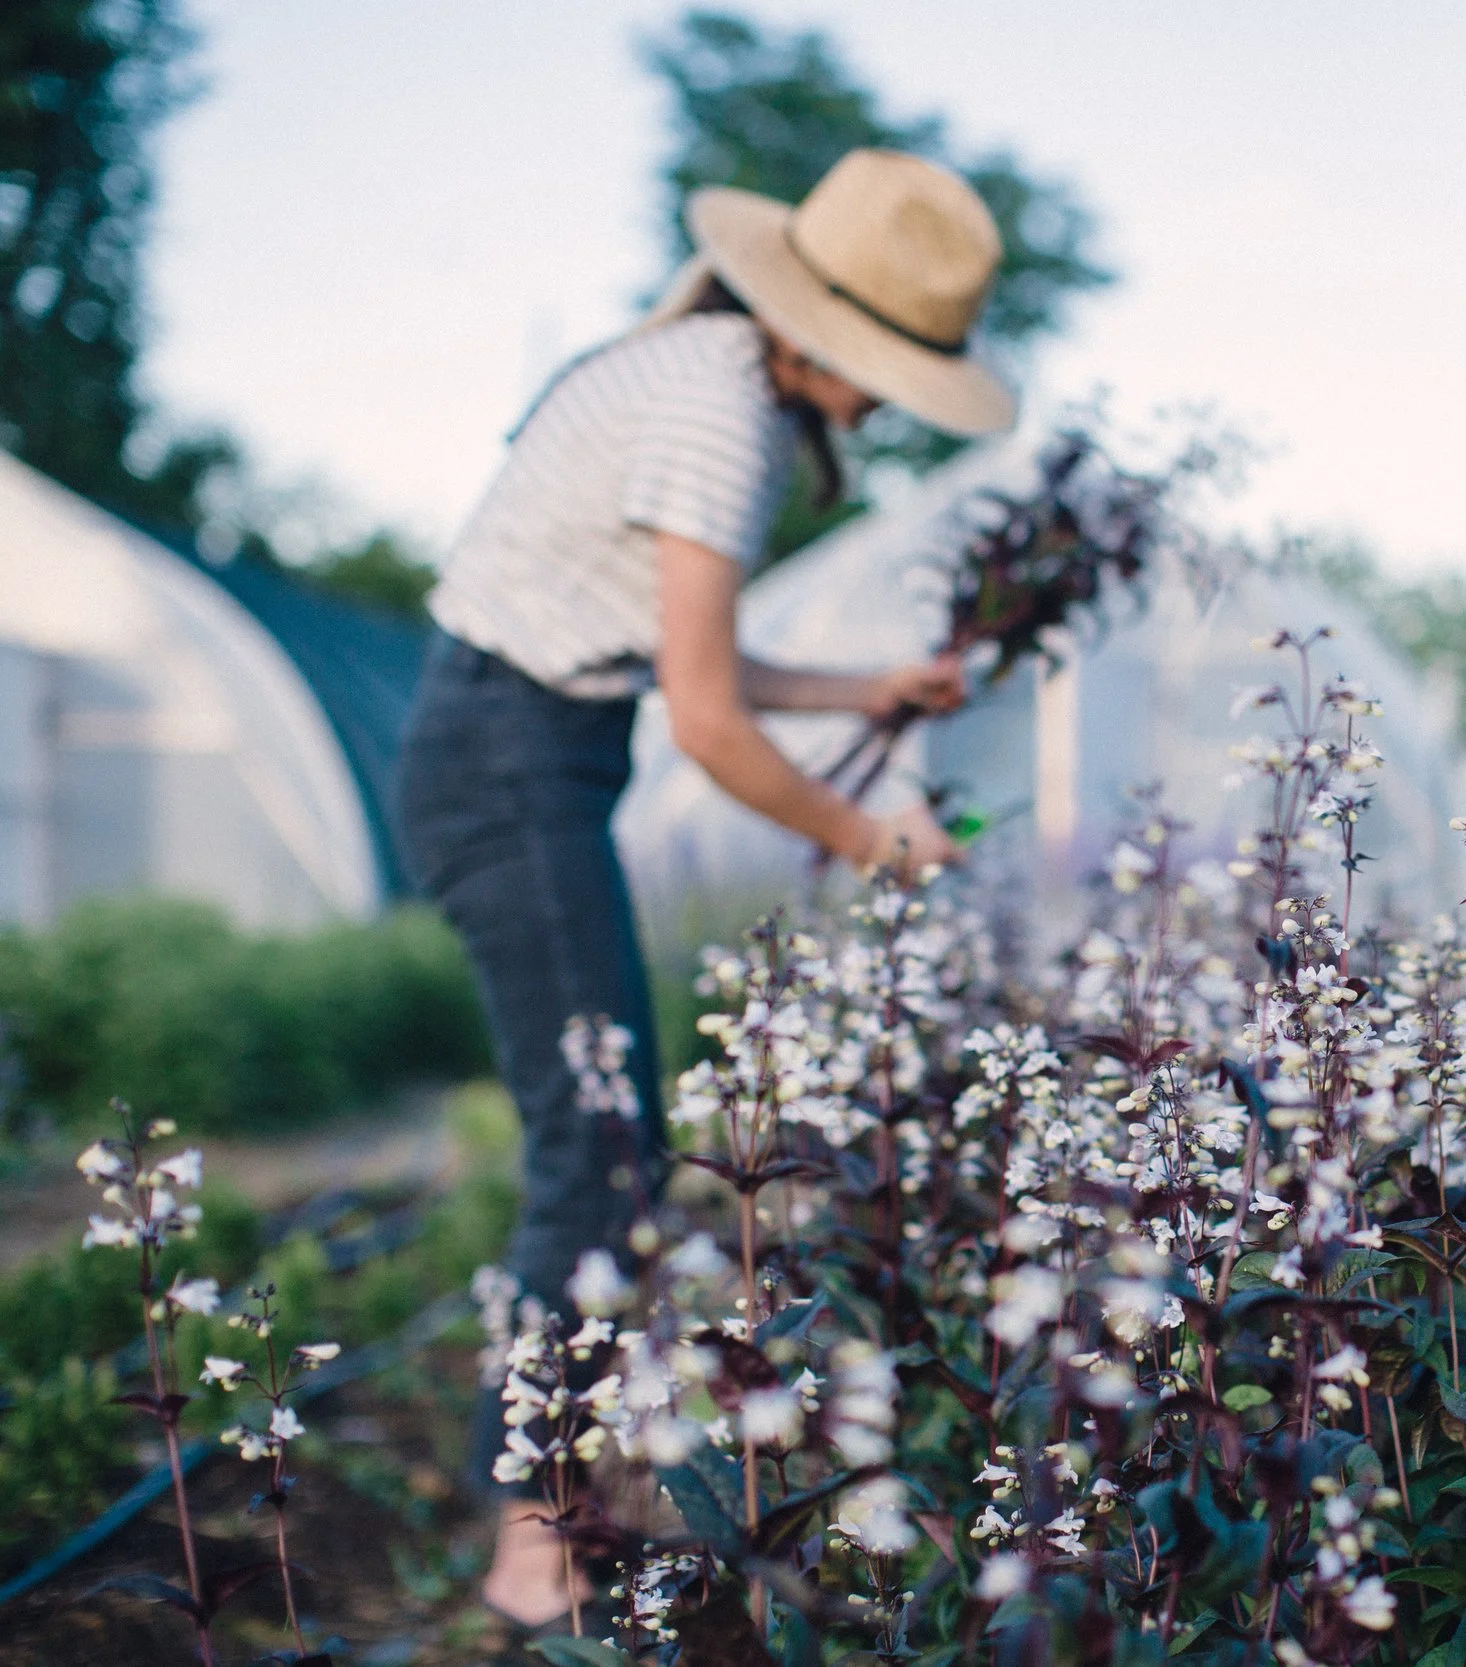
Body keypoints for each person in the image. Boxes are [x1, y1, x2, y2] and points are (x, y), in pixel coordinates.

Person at [392, 148, 1016, 1629]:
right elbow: (709, 724)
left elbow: (700, 663)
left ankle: (569, 1489)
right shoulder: (720, 416)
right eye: (887, 369)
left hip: (519, 742)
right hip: (505, 758)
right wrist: (879, 847)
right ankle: (531, 1534)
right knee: (599, 1145)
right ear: (820, 333)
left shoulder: (707, 374)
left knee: (609, 1137)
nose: (879, 404)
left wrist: (871, 688)